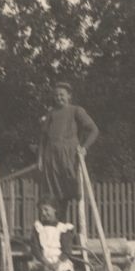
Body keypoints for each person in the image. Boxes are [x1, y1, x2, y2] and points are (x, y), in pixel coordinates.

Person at [38, 82, 99, 219]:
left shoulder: (76, 110)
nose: (59, 98)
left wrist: (84, 147)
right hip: (52, 157)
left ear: (69, 96)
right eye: (56, 95)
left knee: (73, 190)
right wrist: (40, 158)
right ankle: (56, 228)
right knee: (53, 194)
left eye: (62, 95)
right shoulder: (51, 114)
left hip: (69, 156)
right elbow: (43, 138)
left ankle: (76, 229)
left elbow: (94, 130)